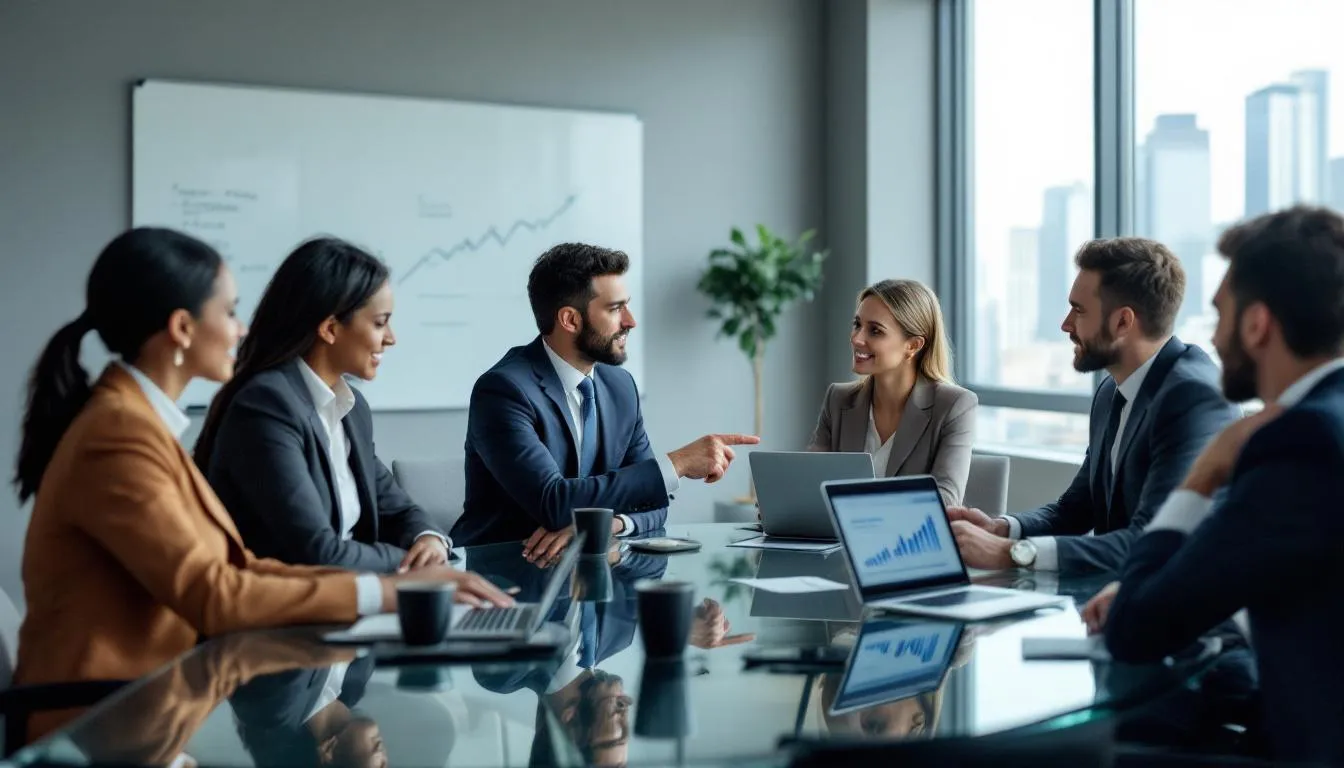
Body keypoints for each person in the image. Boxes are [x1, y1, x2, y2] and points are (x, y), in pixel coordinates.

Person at [11, 228, 510, 741]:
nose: (241, 328)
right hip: (101, 722)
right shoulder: (120, 434)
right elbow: (216, 593)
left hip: (158, 706)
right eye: (229, 312)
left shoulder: (138, 424)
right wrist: (390, 590)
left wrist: (396, 584)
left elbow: (236, 569)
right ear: (182, 328)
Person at [1086, 206, 1344, 765]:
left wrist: (1204, 474)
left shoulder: (1300, 441)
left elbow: (1134, 631)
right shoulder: (1327, 421)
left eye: (1220, 313)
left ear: (1257, 324)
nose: (1213, 335)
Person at [947, 237, 1236, 574]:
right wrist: (1002, 529)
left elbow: (1154, 540)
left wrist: (1013, 553)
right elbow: (1076, 509)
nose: (1066, 324)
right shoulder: (1111, 392)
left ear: (1123, 322)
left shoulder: (1194, 398)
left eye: (1079, 310)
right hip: (1119, 592)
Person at [454, 242, 759, 554]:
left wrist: (611, 524)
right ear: (570, 320)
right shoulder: (503, 391)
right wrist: (677, 463)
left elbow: (653, 502)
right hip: (502, 568)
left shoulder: (620, 387)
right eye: (615, 309)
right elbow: (554, 503)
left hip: (588, 567)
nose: (630, 321)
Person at [195, 238, 448, 573]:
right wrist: (412, 564)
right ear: (330, 328)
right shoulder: (267, 405)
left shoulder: (350, 408)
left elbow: (397, 508)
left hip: (348, 592)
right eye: (380, 322)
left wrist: (428, 538)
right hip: (288, 599)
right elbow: (317, 552)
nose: (391, 338)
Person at [808, 279, 976, 506]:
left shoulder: (954, 405)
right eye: (857, 324)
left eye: (875, 331)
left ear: (913, 345)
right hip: (837, 530)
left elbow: (945, 500)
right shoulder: (838, 399)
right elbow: (809, 480)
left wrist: (857, 506)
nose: (856, 338)